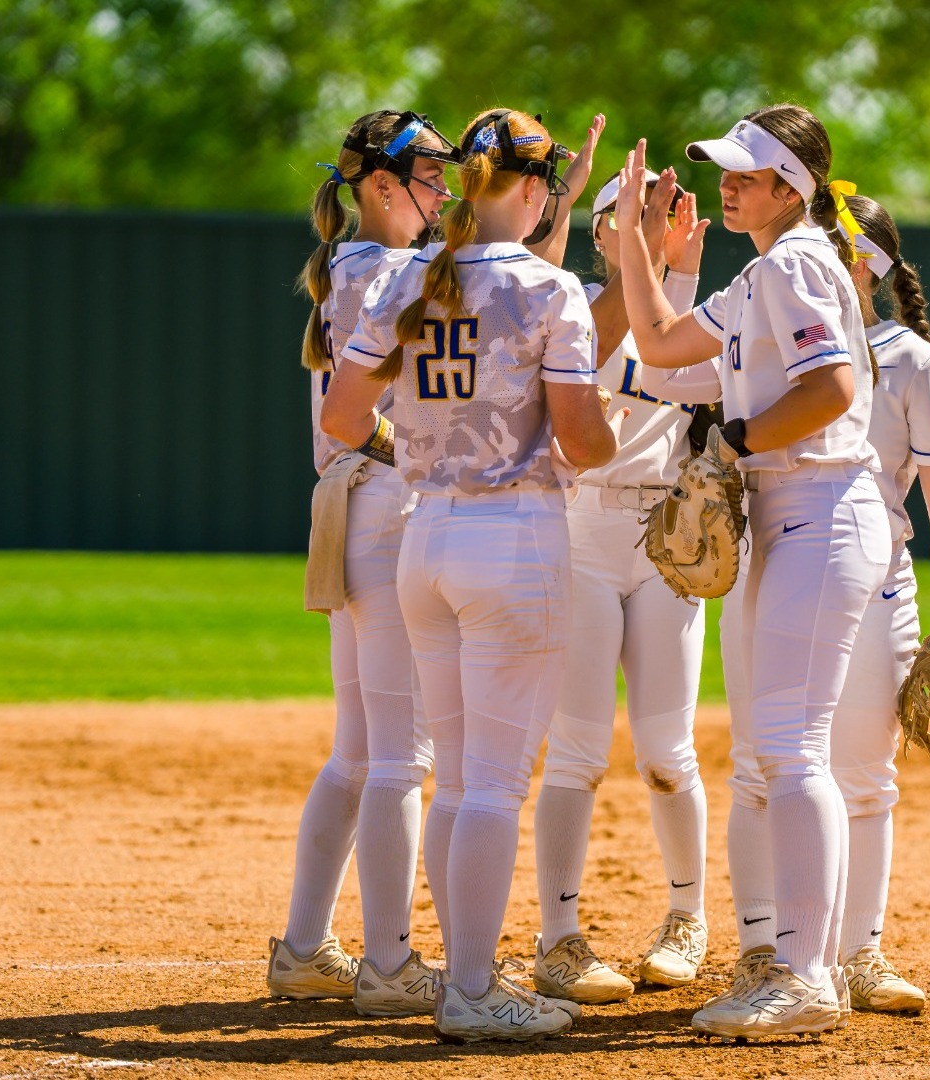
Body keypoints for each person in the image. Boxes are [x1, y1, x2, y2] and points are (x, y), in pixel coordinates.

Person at [322, 107, 619, 1044]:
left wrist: (422, 443)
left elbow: (339, 418)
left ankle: (462, 975)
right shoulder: (549, 288)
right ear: (532, 190)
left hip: (424, 539)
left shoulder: (407, 273)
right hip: (513, 538)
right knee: (490, 785)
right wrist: (610, 427)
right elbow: (580, 438)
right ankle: (475, 989)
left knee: (453, 783)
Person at [611, 104, 890, 1039]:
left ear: (790, 187)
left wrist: (731, 443)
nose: (725, 184)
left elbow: (835, 387)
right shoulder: (763, 273)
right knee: (776, 750)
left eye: (743, 172)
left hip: (817, 504)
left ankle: (806, 975)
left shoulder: (800, 260)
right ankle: (797, 960)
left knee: (790, 746)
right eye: (724, 171)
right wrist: (638, 246)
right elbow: (654, 346)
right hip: (784, 512)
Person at [269, 109, 457, 1018]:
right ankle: (387, 961)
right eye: (429, 174)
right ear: (382, 184)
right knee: (400, 758)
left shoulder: (350, 264)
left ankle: (306, 946)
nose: (445, 189)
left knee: (358, 753)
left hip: (349, 502)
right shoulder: (387, 267)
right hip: (382, 501)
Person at [530, 169, 716, 1006]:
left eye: (648, 218)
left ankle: (687, 917)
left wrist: (677, 267)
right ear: (600, 233)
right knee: (575, 753)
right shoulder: (569, 309)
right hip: (580, 533)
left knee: (666, 755)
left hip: (664, 538)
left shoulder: (679, 311)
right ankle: (560, 937)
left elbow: (672, 331)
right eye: (624, 220)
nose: (637, 228)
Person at [826, 193, 930, 1015]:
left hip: (877, 579)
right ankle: (779, 949)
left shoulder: (917, 361)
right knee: (777, 766)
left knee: (864, 773)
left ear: (864, 264)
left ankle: (861, 951)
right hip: (779, 576)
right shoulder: (781, 343)